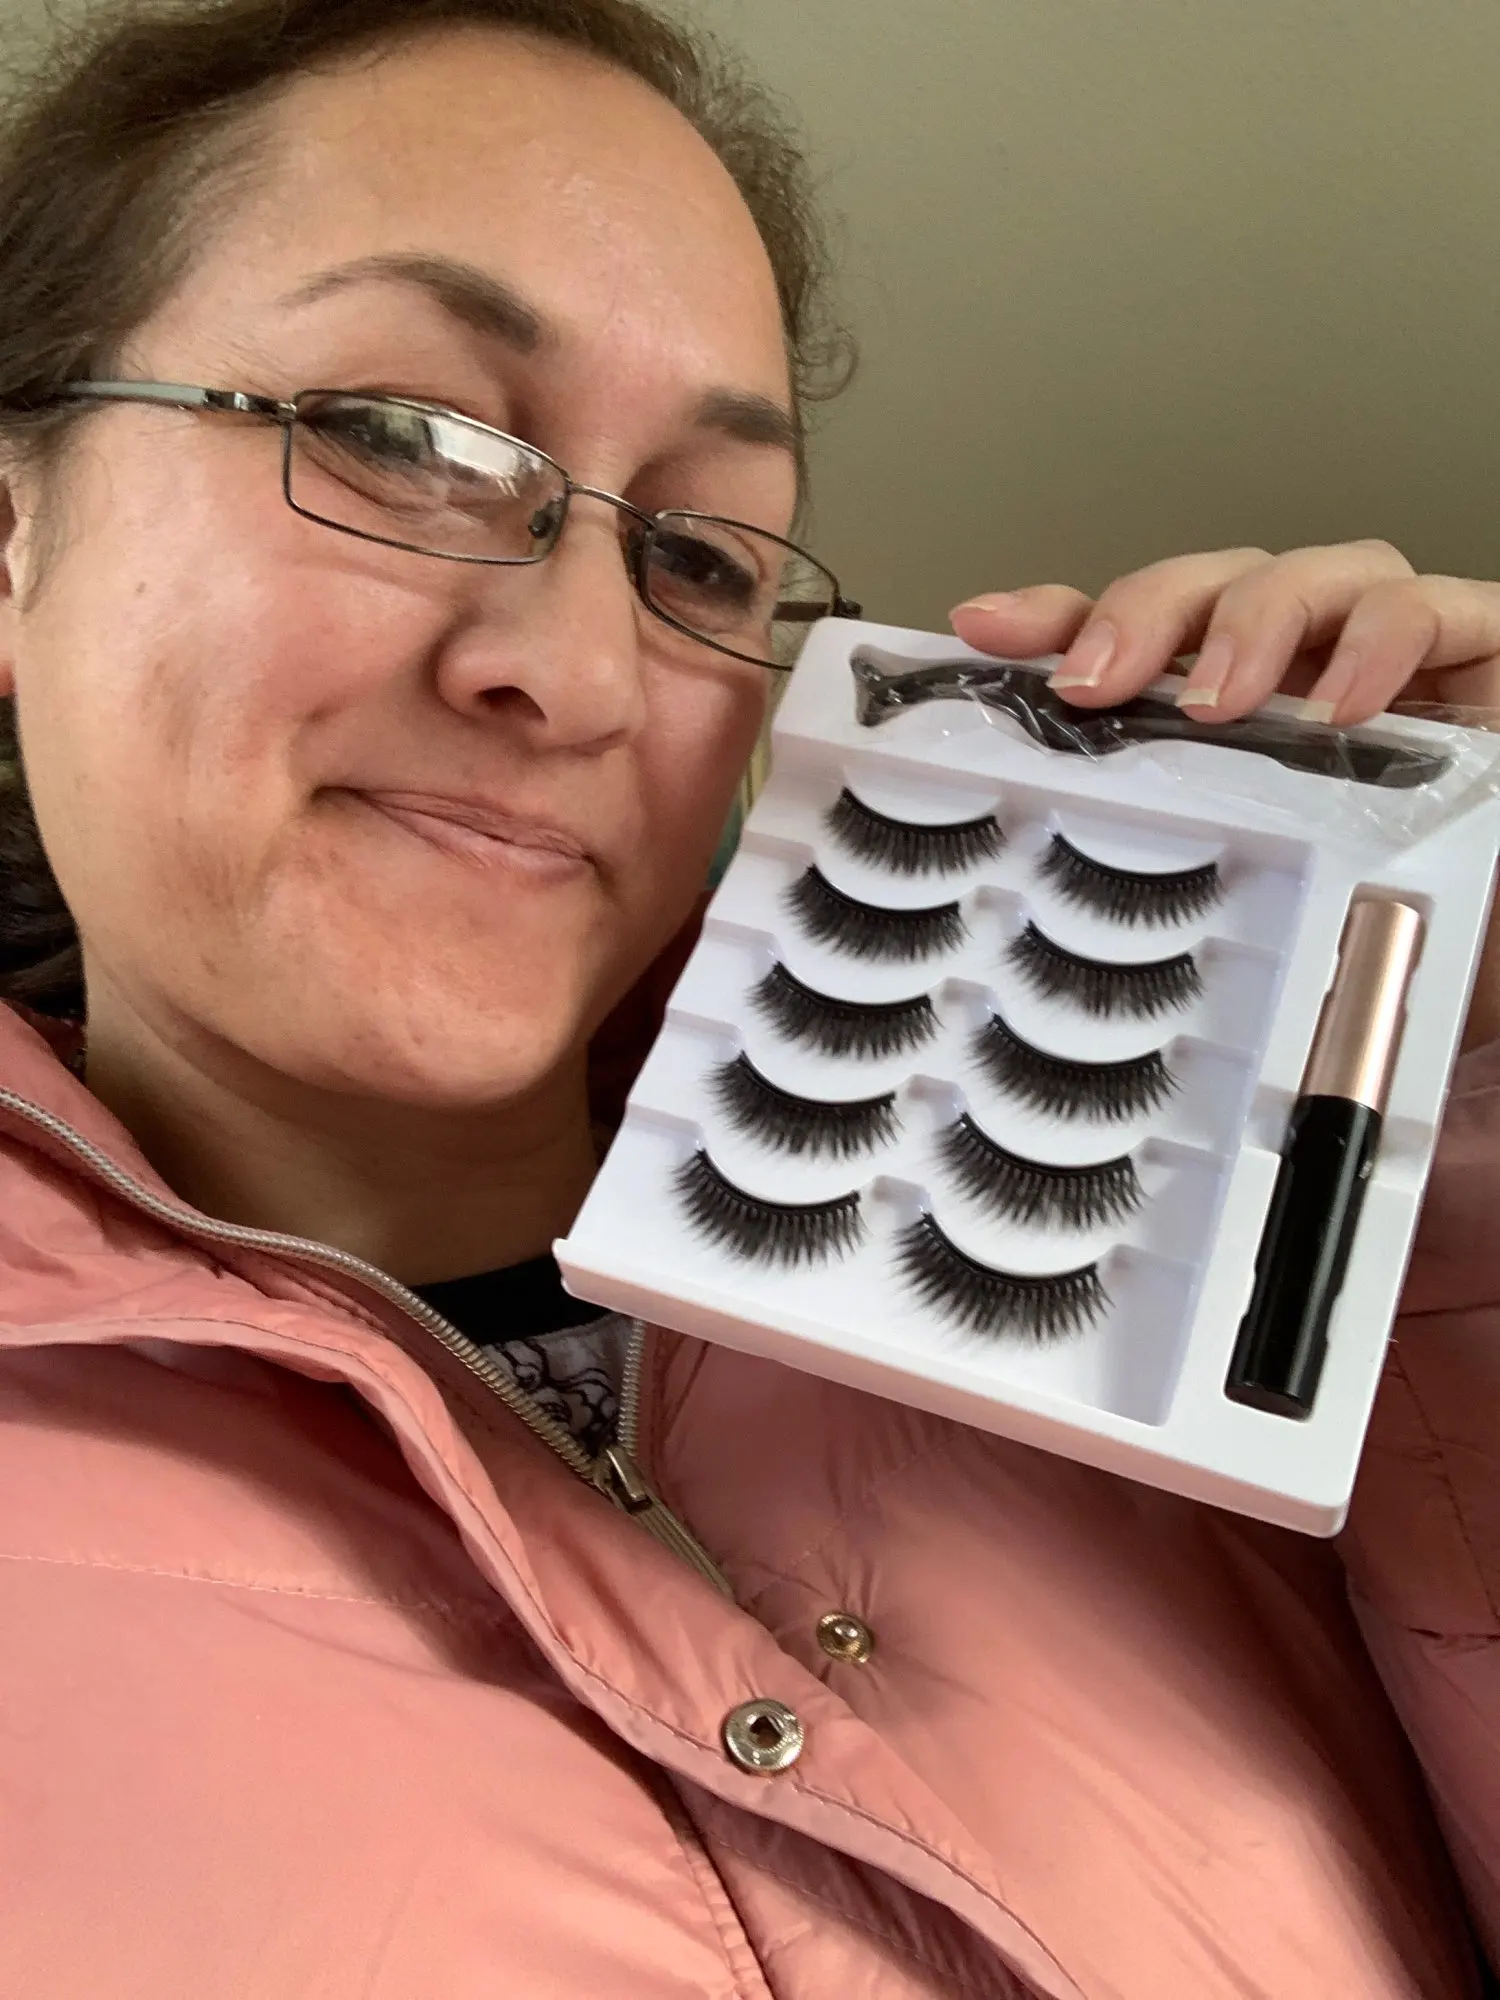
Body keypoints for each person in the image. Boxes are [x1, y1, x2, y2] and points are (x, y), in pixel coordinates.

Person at [0, 1, 1496, 1993]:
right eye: (405, 441)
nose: (578, 675)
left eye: (701, 556)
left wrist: (1473, 1143)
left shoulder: (1195, 1269)